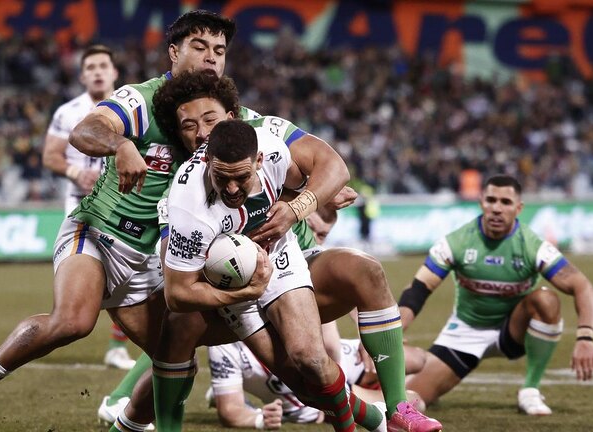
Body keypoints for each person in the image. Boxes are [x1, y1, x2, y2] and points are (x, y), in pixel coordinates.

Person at [0, 10, 243, 432]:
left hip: (144, 259)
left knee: (178, 364)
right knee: (73, 322)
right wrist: (120, 145)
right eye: (200, 47)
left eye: (220, 51)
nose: (211, 58)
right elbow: (86, 130)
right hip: (96, 233)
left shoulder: (225, 116)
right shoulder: (143, 99)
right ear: (174, 52)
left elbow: (272, 153)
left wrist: (315, 195)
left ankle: (126, 426)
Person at [100, 70, 442, 432]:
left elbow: (325, 170)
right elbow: (178, 293)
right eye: (223, 178)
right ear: (206, 164)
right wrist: (246, 290)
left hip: (278, 257)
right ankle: (130, 422)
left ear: (259, 159)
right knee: (295, 379)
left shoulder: (273, 145)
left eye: (241, 177)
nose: (232, 188)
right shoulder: (186, 201)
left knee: (312, 359)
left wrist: (301, 204)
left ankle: (394, 411)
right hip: (228, 286)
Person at [398, 174, 593, 415]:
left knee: (546, 300)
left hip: (512, 330)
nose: (496, 209)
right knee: (411, 401)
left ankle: (530, 390)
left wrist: (585, 338)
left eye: (505, 202)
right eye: (491, 200)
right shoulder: (456, 243)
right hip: (465, 332)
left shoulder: (532, 245)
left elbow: (582, 286)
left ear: (519, 208)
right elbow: (417, 291)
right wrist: (395, 331)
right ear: (481, 202)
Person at [41, 44, 135, 371]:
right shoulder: (68, 112)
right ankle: (67, 323)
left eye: (103, 65)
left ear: (114, 72)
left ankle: (117, 348)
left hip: (121, 204)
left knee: (130, 277)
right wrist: (74, 171)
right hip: (79, 207)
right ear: (82, 75)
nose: (97, 71)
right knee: (86, 276)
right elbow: (50, 155)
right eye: (91, 67)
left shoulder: (130, 107)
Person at [206, 339, 427, 429]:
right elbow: (230, 412)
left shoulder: (278, 294)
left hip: (337, 359)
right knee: (415, 401)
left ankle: (222, 388)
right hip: (323, 391)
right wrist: (260, 418)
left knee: (418, 359)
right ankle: (224, 388)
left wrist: (368, 336)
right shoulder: (224, 344)